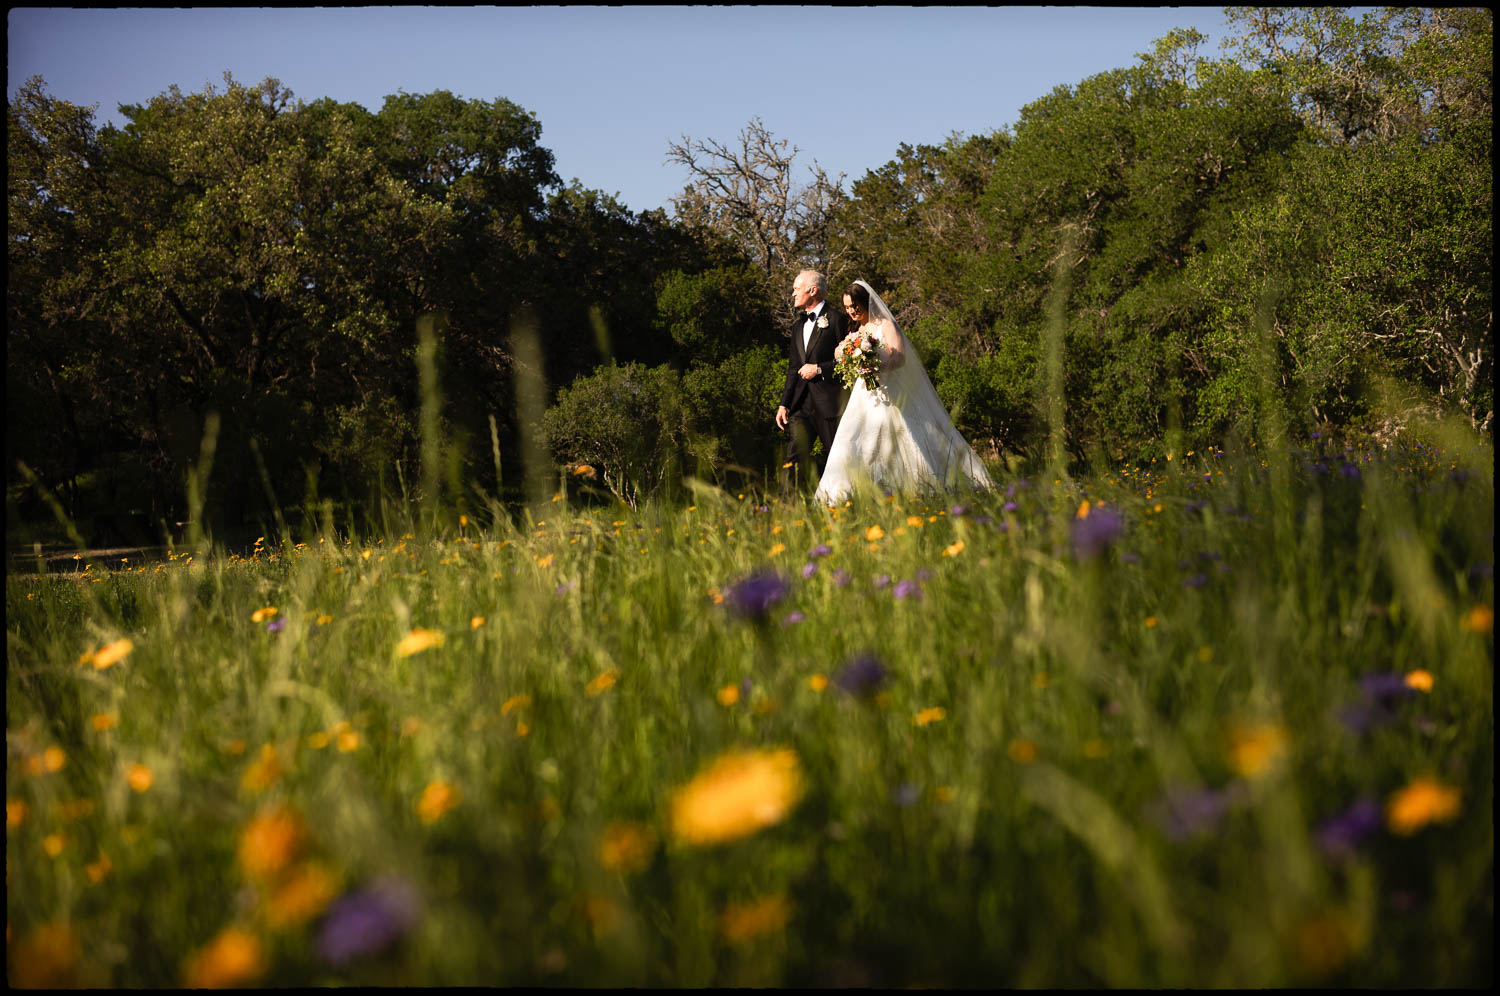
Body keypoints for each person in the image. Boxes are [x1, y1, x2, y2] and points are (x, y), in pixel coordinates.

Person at [815, 280, 993, 504]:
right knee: (856, 435)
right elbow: (844, 353)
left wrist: (878, 366)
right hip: (865, 393)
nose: (851, 312)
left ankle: (920, 487)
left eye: (855, 307)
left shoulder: (886, 325)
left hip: (892, 388)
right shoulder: (858, 330)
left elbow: (899, 357)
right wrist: (850, 359)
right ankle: (853, 493)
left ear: (865, 302)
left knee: (896, 430)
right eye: (848, 308)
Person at [776, 269, 849, 492]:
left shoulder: (837, 320)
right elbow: (793, 369)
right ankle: (784, 512)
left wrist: (819, 369)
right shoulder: (798, 326)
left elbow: (849, 362)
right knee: (793, 460)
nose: (793, 294)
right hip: (801, 406)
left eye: (797, 289)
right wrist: (784, 404)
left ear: (813, 290)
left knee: (838, 460)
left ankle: (847, 503)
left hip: (830, 404)